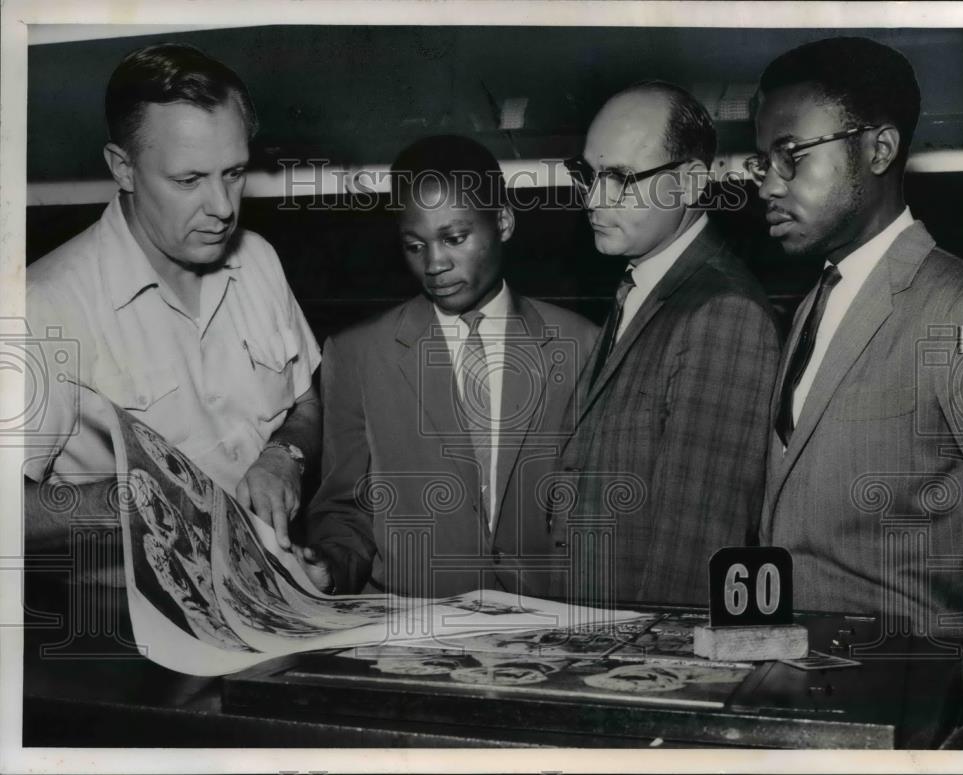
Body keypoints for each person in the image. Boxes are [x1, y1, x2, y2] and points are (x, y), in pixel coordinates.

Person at [24, 44, 321, 560]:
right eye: (189, 180)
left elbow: (307, 404)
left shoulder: (259, 260)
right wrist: (144, 500)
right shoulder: (43, 305)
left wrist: (283, 456)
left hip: (271, 593)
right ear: (122, 168)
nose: (223, 208)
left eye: (233, 172)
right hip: (122, 625)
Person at [301, 135, 598, 598]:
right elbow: (345, 509)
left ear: (502, 221)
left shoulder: (583, 345)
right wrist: (330, 566)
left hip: (547, 625)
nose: (434, 263)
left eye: (455, 238)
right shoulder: (358, 354)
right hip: (410, 631)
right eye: (414, 245)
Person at [751, 37, 963, 632]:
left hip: (912, 685)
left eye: (791, 155)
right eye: (762, 163)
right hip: (806, 674)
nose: (768, 185)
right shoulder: (815, 303)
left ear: (879, 149)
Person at [549, 82, 781, 607]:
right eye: (588, 174)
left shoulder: (722, 313)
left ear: (691, 182)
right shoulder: (643, 289)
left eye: (623, 179)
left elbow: (697, 548)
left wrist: (646, 675)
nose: (594, 199)